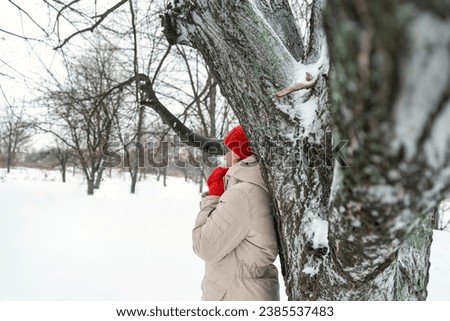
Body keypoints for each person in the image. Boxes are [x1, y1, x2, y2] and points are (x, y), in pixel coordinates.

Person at [192, 124, 280, 301]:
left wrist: (213, 197)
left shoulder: (243, 194)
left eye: (230, 149)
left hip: (234, 294)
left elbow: (204, 246)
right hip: (245, 290)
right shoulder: (258, 186)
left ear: (243, 153)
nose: (225, 156)